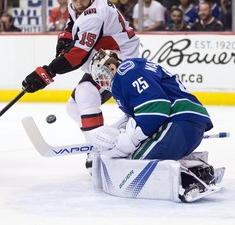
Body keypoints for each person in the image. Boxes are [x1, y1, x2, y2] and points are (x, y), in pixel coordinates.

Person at [21, 0, 140, 171]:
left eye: (82, 0)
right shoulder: (78, 1)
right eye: (74, 0)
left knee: (86, 93)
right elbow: (72, 22)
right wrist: (66, 36)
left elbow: (78, 56)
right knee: (73, 107)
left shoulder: (94, 14)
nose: (79, 4)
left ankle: (97, 147)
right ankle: (101, 139)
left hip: (121, 58)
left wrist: (47, 72)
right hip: (105, 54)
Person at [88, 49, 217, 199]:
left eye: (102, 76)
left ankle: (188, 180)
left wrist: (133, 138)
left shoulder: (125, 71)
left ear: (111, 67)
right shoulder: (133, 68)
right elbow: (144, 110)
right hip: (187, 122)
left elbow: (157, 107)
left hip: (178, 122)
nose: (103, 82)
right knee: (142, 157)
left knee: (136, 164)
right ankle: (200, 170)